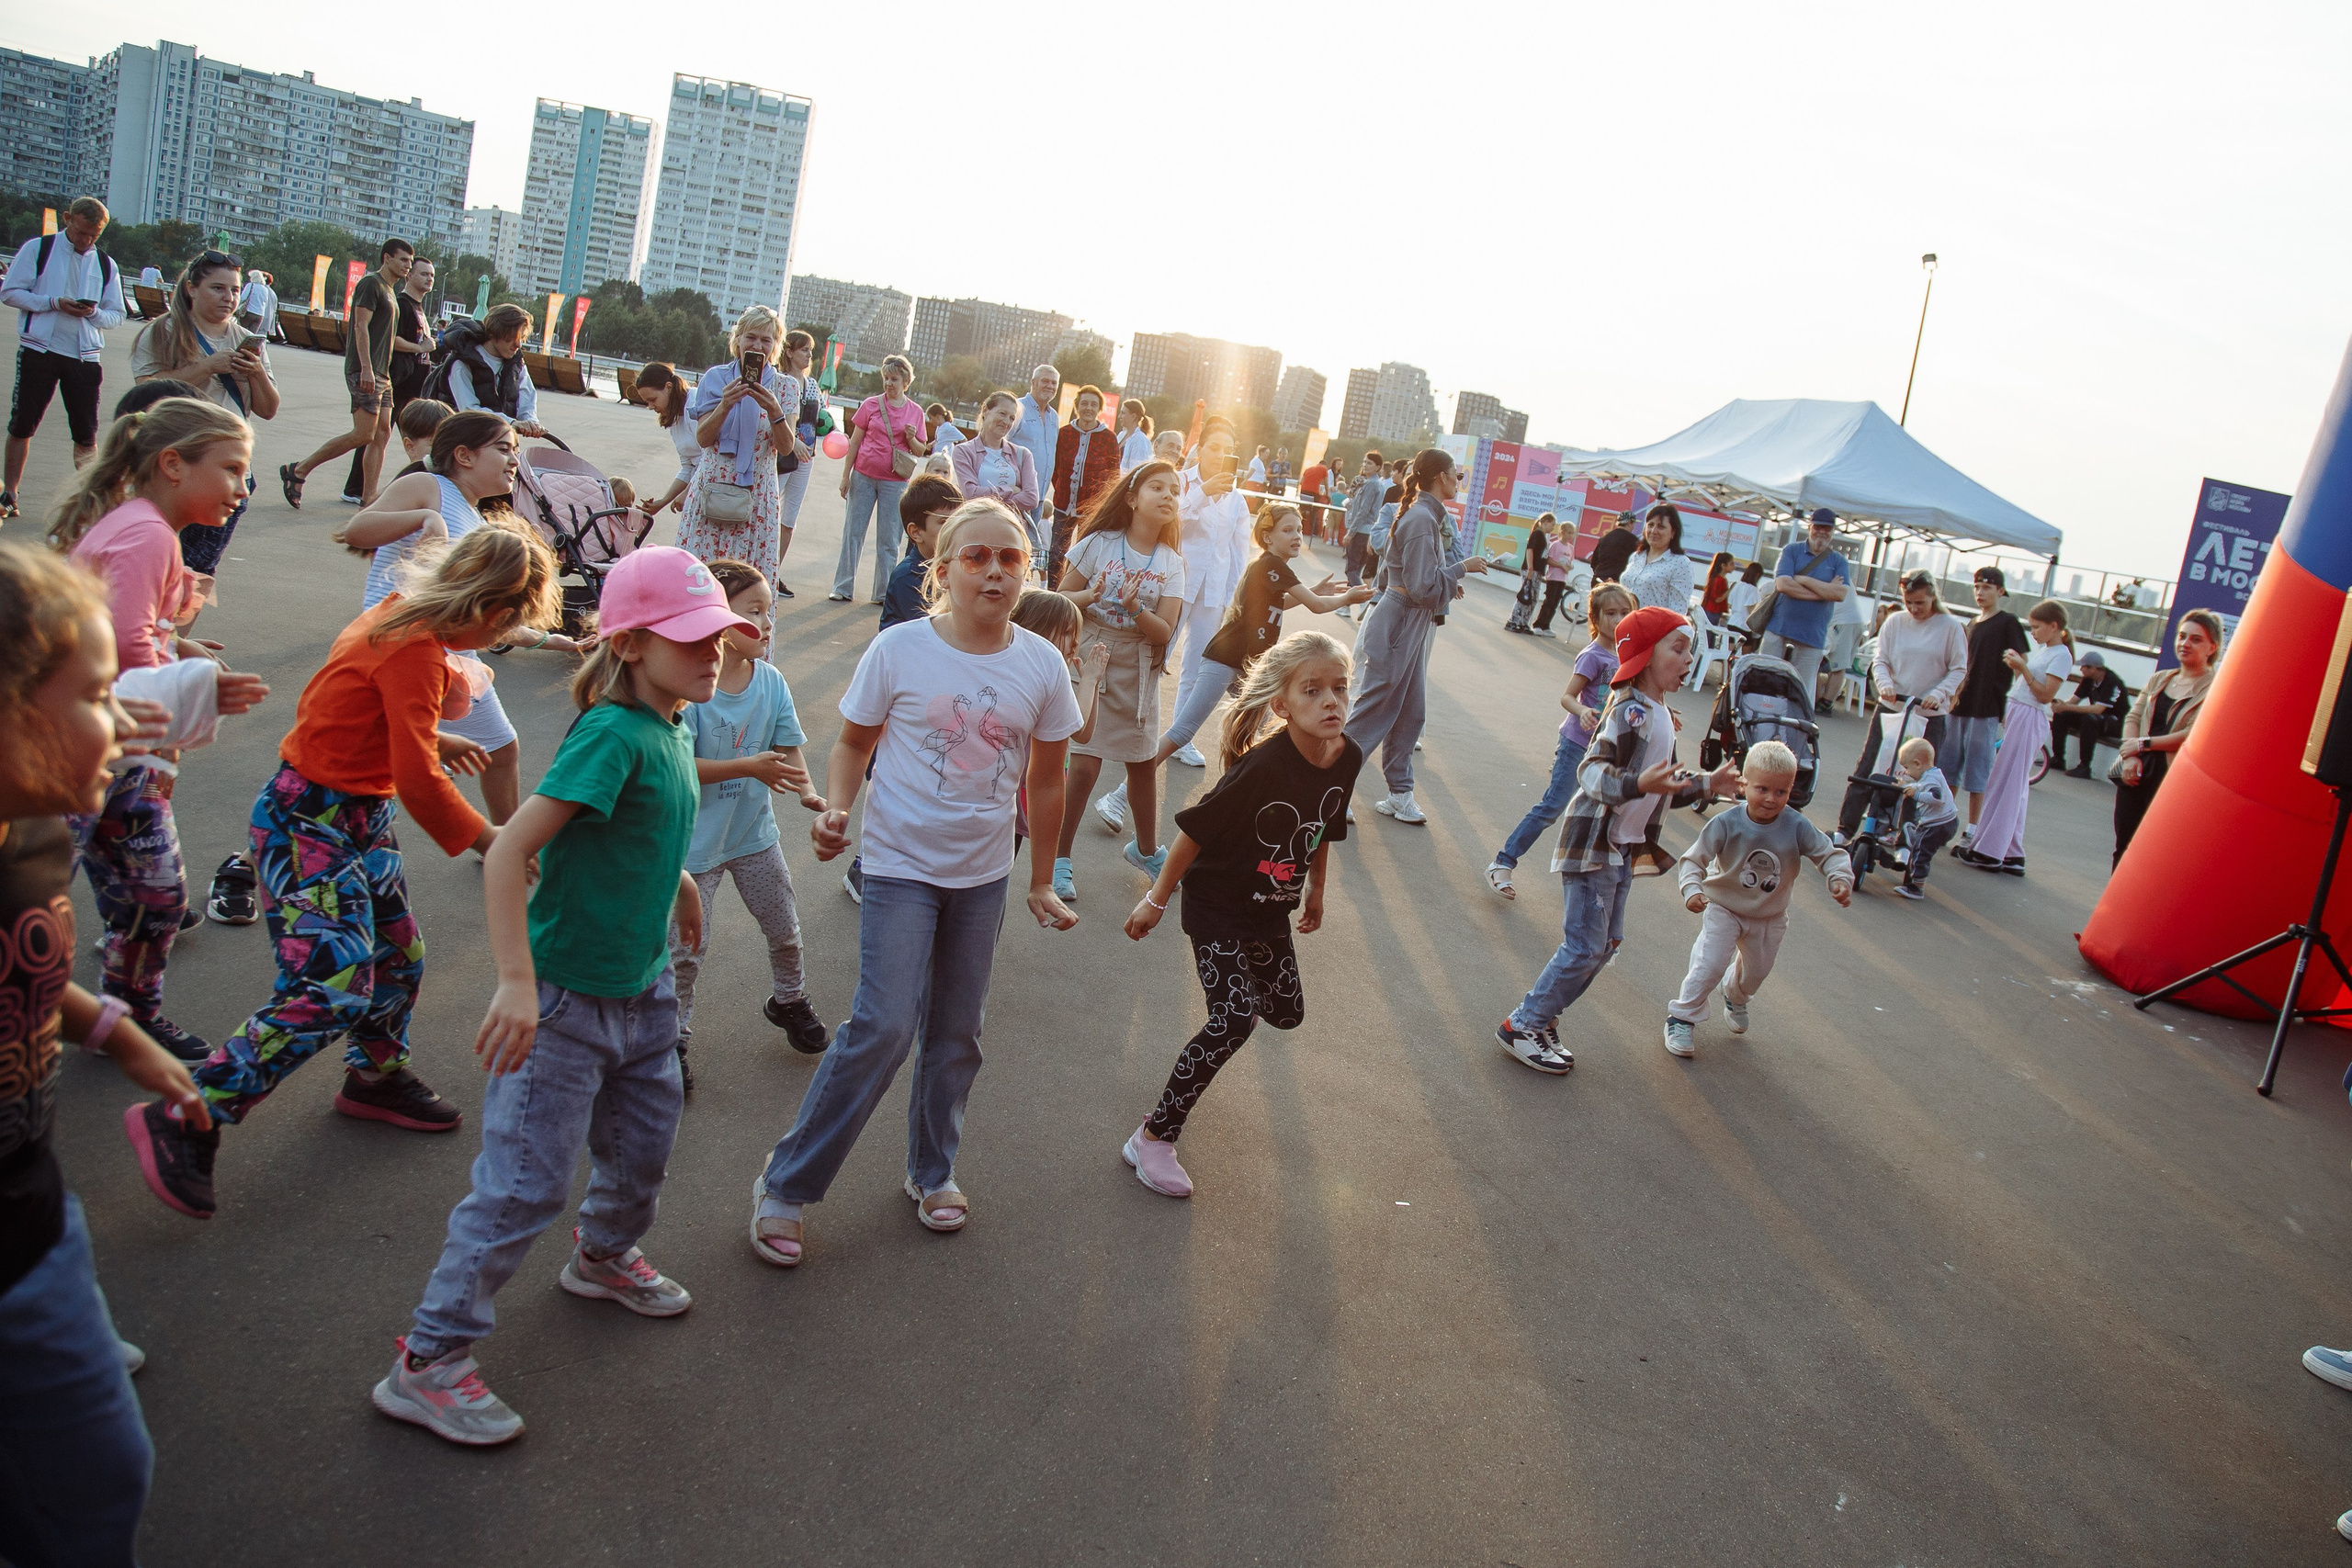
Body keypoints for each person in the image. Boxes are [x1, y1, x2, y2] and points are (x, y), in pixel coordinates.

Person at [373, 546, 743, 1446]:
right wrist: (513, 982)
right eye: (689, 638)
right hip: (566, 1005)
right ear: (627, 643)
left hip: (643, 995)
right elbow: (508, 851)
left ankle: (605, 1258)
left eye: (719, 636)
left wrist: (680, 886)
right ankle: (428, 1361)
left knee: (643, 1147)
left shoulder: (675, 723)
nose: (712, 653)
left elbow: (650, 825)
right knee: (524, 1186)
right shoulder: (613, 733)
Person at [123, 525, 557, 1219]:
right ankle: (190, 1112)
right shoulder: (415, 647)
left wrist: (425, 732)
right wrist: (492, 840)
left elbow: (357, 698)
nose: (502, 641)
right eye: (508, 630)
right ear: (493, 613)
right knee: (330, 984)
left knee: (398, 955)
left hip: (357, 813)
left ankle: (374, 1076)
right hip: (308, 821)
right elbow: (419, 782)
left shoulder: (402, 612)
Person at [750, 500, 1082, 1268]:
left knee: (957, 1032)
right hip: (900, 866)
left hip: (982, 875)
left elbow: (1049, 775)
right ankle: (787, 1183)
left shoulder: (1040, 663)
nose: (995, 569)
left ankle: (932, 1171)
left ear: (1027, 571)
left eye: (1011, 558)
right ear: (942, 571)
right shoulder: (900, 649)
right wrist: (837, 809)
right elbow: (853, 743)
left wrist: (1040, 879)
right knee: (885, 1025)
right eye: (976, 557)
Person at [0, 542, 223, 1566]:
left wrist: (109, 1026)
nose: (126, 721)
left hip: (35, 1218)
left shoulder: (39, 828)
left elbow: (22, 966)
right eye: (97, 695)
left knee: (101, 1475)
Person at [49, 400, 269, 1064]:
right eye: (231, 469)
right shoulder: (146, 533)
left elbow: (134, 627)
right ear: (172, 464)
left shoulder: (149, 531)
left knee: (157, 895)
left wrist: (182, 646)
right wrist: (189, 691)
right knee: (27, 895)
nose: (241, 487)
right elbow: (120, 644)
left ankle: (131, 1014)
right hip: (80, 753)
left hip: (119, 752)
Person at [1117, 630, 1363, 1197]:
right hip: (1219, 905)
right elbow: (1194, 833)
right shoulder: (1262, 768)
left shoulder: (1345, 754)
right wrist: (1156, 900)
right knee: (1235, 1019)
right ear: (1281, 705)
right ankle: (1153, 1138)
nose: (1331, 702)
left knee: (1286, 1012)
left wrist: (1318, 889)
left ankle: (1233, 1015)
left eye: (1340, 689)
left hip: (1270, 910)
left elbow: (1326, 823)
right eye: (1313, 691)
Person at [1497, 607, 1741, 1074]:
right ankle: (1522, 1024)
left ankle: (1542, 1019)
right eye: (1680, 647)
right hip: (1593, 847)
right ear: (1647, 655)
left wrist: (1709, 784)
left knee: (1605, 943)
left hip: (1620, 849)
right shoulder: (1631, 712)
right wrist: (1636, 785)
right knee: (1585, 946)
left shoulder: (1659, 714)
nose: (1690, 658)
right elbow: (1592, 772)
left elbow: (1661, 783)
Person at [1091, 501, 1369, 868]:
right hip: (1228, 659)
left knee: (1250, 740)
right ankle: (1118, 795)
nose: (1297, 536)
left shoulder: (1272, 569)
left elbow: (1275, 605)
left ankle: (1242, 816)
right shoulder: (1272, 564)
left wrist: (1311, 591)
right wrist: (1347, 597)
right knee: (1185, 730)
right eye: (1288, 530)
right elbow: (1316, 606)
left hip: (1251, 668)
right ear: (1267, 536)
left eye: (1300, 530)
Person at [669, 558, 829, 1090]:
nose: (765, 623)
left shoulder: (772, 682)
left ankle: (790, 1000)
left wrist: (810, 794)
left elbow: (789, 749)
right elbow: (674, 764)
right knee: (687, 952)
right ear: (715, 620)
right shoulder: (691, 689)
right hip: (693, 850)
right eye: (752, 612)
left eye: (770, 611)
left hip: (753, 837)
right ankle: (671, 1040)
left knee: (784, 927)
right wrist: (746, 766)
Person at [340, 410, 541, 826]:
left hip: (445, 651)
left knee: (501, 749)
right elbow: (357, 531)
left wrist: (553, 640)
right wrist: (424, 518)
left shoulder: (476, 520)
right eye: (504, 449)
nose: (513, 461)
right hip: (394, 641)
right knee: (358, 757)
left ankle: (506, 845)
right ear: (464, 455)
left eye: (516, 452)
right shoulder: (429, 487)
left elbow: (478, 611)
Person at [1665, 740, 1852, 1056]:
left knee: (1756, 974)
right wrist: (1692, 889)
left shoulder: (1796, 825)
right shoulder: (1726, 823)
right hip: (1723, 907)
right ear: (1743, 784)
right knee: (1709, 963)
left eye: (1782, 792)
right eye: (1763, 789)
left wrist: (1839, 878)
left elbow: (1828, 853)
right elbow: (1693, 859)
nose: (1771, 799)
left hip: (1769, 916)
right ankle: (1682, 1016)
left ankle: (1735, 996)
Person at [1052, 460, 1187, 888]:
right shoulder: (1098, 543)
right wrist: (1090, 595)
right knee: (1086, 764)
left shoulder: (1172, 563)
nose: (1169, 496)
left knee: (1143, 765)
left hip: (1139, 668)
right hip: (1091, 658)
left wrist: (1135, 609)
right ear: (1131, 498)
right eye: (1157, 487)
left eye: (1175, 490)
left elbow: (1165, 629)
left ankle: (1145, 851)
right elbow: (1060, 599)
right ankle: (1058, 859)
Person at [1345, 449, 1489, 826]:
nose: (1459, 481)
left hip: (1407, 620)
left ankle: (1399, 793)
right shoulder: (1423, 517)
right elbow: (1422, 586)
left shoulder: (1423, 514)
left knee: (1410, 713)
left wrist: (1445, 578)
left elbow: (1412, 576)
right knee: (1374, 711)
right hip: (1400, 622)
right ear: (1441, 477)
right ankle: (1331, 786)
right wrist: (1461, 569)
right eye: (1456, 475)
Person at [128, 250, 278, 575]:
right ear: (192, 289)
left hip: (226, 476)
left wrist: (256, 374)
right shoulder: (163, 332)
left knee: (197, 573)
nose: (229, 298)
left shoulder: (247, 339)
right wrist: (207, 366)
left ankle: (174, 628)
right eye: (218, 288)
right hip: (171, 469)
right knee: (148, 564)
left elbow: (269, 409)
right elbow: (144, 395)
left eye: (235, 290)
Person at [1487, 583, 1634, 898]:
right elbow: (1567, 697)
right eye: (1611, 613)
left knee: (1602, 816)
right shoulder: (1593, 656)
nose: (1619, 619)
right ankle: (1502, 862)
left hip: (1608, 749)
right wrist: (1582, 711)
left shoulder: (1631, 655)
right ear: (1595, 618)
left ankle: (1592, 886)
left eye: (1625, 612)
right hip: (1577, 744)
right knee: (1553, 806)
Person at [3, 197, 125, 518]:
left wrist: (93, 312)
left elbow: (116, 315)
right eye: (83, 232)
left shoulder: (105, 264)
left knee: (86, 433)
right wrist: (54, 303)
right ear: (68, 219)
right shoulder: (38, 249)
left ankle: (91, 500)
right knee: (22, 425)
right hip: (39, 349)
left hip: (84, 356)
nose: (87, 241)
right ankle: (10, 492)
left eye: (94, 236)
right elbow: (9, 292)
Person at [279, 238, 413, 509]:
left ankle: (368, 499)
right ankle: (299, 470)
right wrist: (365, 367)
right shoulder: (370, 285)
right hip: (365, 370)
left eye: (410, 262)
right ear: (386, 258)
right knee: (363, 434)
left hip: (382, 374)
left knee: (382, 435)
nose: (407, 266)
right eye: (403, 260)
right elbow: (359, 327)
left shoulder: (390, 291)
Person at [1832, 570, 1966, 840]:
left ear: (1932, 597)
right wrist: (1885, 684)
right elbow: (1881, 660)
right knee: (1868, 766)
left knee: (1918, 775)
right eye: (1909, 602)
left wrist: (1938, 694)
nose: (1914, 609)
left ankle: (1904, 834)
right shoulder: (1895, 622)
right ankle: (1846, 829)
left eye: (1920, 603)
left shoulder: (1950, 627)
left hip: (1928, 714)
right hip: (1892, 709)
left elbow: (1958, 669)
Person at [680, 305, 798, 590]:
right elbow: (703, 438)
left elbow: (785, 448)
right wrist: (726, 403)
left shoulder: (786, 387)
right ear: (738, 340)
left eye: (766, 340)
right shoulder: (715, 377)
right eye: (751, 337)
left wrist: (774, 410)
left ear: (775, 347)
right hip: (713, 486)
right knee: (704, 575)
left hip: (758, 492)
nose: (757, 345)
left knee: (750, 579)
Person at [1956, 599, 2075, 876]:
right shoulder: (2050, 651)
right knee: (2013, 784)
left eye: (2037, 627)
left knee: (2007, 783)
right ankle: (2010, 852)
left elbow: (2045, 695)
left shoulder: (2061, 655)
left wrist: (2022, 668)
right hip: (2023, 714)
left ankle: (1990, 850)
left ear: (2054, 626)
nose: (2033, 633)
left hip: (2030, 715)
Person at [1168, 419, 1254, 766]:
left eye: (1227, 449)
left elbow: (1238, 552)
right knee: (1157, 653)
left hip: (1213, 590)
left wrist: (1234, 598)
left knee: (1198, 665)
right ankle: (1134, 724)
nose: (1220, 456)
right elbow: (1171, 521)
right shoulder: (1181, 483)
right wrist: (1203, 492)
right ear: (1199, 449)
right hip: (1176, 584)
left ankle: (1180, 736)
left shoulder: (1236, 499)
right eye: (1214, 447)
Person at [2112, 609, 2221, 864]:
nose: (2185, 644)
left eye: (2196, 639)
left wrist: (2143, 744)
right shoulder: (2160, 679)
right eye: (2182, 636)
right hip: (2135, 773)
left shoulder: (2216, 687)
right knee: (2123, 847)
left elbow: (2192, 734)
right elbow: (2133, 718)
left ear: (2212, 648)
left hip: (2173, 776)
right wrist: (2130, 757)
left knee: (2156, 853)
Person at [1941, 567, 2032, 838]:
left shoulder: (2008, 622)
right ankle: (1944, 820)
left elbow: (2021, 662)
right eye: (1977, 587)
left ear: (2000, 591)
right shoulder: (1971, 624)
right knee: (1948, 766)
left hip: (1987, 706)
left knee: (1977, 769)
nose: (1980, 593)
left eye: (1987, 588)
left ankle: (1973, 828)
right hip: (1960, 704)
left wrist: (2013, 703)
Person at [339, 254, 436, 504]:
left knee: (379, 435)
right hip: (398, 380)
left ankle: (362, 490)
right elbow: (391, 340)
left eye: (432, 275)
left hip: (411, 384)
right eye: (423, 273)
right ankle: (357, 488)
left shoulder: (417, 306)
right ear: (410, 275)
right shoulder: (402, 304)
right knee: (373, 435)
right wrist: (420, 347)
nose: (429, 279)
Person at [831, 354, 926, 603]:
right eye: (886, 378)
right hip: (863, 476)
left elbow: (920, 450)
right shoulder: (871, 405)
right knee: (853, 533)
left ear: (906, 382)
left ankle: (882, 592)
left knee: (889, 539)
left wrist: (912, 437)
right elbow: (855, 441)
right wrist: (846, 476)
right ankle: (842, 587)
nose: (888, 384)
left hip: (895, 483)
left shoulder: (915, 412)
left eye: (894, 379)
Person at [420, 302, 548, 437]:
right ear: (494, 333)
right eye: (511, 338)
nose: (518, 345)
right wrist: (511, 422)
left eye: (521, 338)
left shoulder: (516, 364)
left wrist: (531, 422)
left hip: (495, 437)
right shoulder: (462, 363)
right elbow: (469, 410)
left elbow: (526, 399)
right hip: (459, 438)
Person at [1757, 508, 1849, 690]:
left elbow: (1840, 594)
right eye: (1818, 527)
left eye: (1827, 528)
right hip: (1779, 626)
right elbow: (1783, 585)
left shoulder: (1839, 561)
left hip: (1813, 635)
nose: (1822, 532)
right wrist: (1824, 591)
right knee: (1764, 678)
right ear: (1810, 527)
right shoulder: (1791, 551)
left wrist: (1804, 579)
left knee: (1801, 688)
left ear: (1833, 532)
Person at [1050, 384, 1122, 585]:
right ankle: (1052, 596)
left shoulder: (1109, 438)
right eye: (1084, 404)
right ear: (1077, 407)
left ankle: (1075, 596)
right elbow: (1056, 468)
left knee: (1085, 556)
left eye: (1093, 404)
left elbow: (1113, 475)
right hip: (1062, 504)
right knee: (1056, 551)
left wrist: (1101, 503)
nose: (1088, 408)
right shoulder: (1064, 433)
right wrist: (1062, 490)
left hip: (1091, 509)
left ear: (1099, 409)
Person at [949, 392, 1042, 545]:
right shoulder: (963, 451)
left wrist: (987, 498)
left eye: (1012, 418)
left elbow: (1032, 498)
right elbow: (971, 494)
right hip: (976, 531)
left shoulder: (1023, 454)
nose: (1006, 422)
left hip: (1012, 534)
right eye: (1002, 413)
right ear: (985, 410)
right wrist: (1010, 490)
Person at [772, 331, 826, 592]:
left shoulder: (812, 384)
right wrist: (793, 443)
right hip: (780, 455)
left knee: (790, 518)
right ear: (789, 351)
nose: (808, 355)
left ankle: (774, 573)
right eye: (804, 350)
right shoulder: (778, 381)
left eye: (810, 351)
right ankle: (759, 568)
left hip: (806, 458)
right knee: (769, 509)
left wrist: (832, 430)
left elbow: (819, 419)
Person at [881, 471, 961, 631]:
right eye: (945, 522)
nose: (955, 529)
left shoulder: (956, 564)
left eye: (959, 520)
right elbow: (939, 631)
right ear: (916, 532)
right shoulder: (908, 577)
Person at [1886, 736, 1961, 900]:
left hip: (1939, 825)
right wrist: (1905, 786)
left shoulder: (1932, 780)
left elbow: (1936, 797)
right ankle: (1917, 834)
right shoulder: (1930, 774)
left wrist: (1917, 795)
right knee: (1921, 845)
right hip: (1942, 822)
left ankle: (1917, 887)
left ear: (1918, 764)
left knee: (1921, 853)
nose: (1906, 772)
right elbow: (1919, 785)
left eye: (1907, 767)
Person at [630, 361, 700, 518]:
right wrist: (663, 502)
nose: (650, 406)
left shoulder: (695, 402)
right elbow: (687, 466)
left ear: (669, 387)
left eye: (652, 400)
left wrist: (687, 492)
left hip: (713, 484)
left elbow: (710, 459)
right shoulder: (673, 414)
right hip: (698, 485)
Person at [1012, 363, 1062, 561]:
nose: (1050, 386)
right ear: (1033, 382)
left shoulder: (1054, 416)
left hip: (1039, 497)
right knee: (1011, 547)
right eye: (1045, 381)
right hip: (1017, 494)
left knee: (1028, 554)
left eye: (1054, 383)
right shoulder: (1017, 408)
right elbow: (1000, 445)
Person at [2052, 649, 2127, 777]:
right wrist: (2060, 705)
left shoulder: (2112, 681)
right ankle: (2058, 758)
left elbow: (2098, 709)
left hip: (2116, 722)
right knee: (2062, 715)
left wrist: (2066, 707)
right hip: (2098, 718)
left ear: (2093, 668)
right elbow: (2073, 702)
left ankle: (2085, 766)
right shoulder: (2088, 680)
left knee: (2090, 719)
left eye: (2083, 667)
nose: (2081, 669)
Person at [1621, 504, 1694, 615]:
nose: (1654, 531)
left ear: (1673, 532)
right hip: (1622, 625)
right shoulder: (1636, 556)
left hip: (1652, 629)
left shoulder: (1681, 563)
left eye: (1661, 527)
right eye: (1650, 525)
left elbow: (1678, 612)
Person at [1340, 450, 1387, 604]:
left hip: (1361, 531)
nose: (1365, 465)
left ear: (1378, 467)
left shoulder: (1371, 484)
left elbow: (1363, 511)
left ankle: (1367, 599)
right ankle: (1346, 604)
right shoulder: (1373, 483)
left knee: (1351, 569)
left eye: (1370, 463)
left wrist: (1350, 533)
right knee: (1356, 569)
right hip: (1367, 531)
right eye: (1365, 462)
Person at [1819, 576, 1870, 712]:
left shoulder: (1827, 570)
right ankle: (1824, 699)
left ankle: (1826, 703)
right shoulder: (1839, 570)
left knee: (1838, 666)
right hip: (1853, 621)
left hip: (1843, 622)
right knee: (1838, 664)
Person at [1531, 515, 1577, 637]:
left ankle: (1546, 625)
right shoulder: (1555, 545)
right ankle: (1538, 624)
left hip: (1563, 578)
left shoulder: (1571, 548)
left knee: (1556, 602)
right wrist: (1560, 566)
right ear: (1562, 532)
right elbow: (1549, 560)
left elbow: (1570, 562)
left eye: (1572, 533)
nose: (1570, 536)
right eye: (1568, 533)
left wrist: (1569, 567)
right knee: (1549, 601)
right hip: (1553, 577)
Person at [1504, 517, 1549, 634]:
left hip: (1537, 572)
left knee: (1532, 598)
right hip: (1531, 570)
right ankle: (1513, 621)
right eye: (1552, 525)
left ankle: (1523, 622)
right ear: (1545, 522)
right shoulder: (1537, 534)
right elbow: (1530, 550)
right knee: (1525, 595)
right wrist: (1530, 568)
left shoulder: (1542, 536)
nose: (1553, 528)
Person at [1585, 513, 1639, 584]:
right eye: (1633, 524)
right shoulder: (1633, 541)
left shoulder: (1605, 538)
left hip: (1598, 580)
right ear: (1629, 523)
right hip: (1616, 584)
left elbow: (1594, 562)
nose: (1633, 527)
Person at [1725, 559, 1766, 635]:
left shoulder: (1737, 585)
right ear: (1757, 575)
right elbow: (1750, 608)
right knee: (1748, 646)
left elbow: (1730, 604)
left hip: (1732, 622)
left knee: (1731, 646)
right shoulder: (1754, 590)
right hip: (1744, 626)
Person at [237, 267, 278, 338]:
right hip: (260, 315)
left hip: (249, 312)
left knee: (240, 331)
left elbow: (243, 298)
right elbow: (265, 302)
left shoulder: (251, 285)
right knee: (252, 336)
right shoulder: (265, 289)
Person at [1117, 396, 1154, 472]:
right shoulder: (1121, 435)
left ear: (1133, 416)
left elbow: (1136, 470)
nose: (1119, 416)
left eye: (1123, 413)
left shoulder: (1140, 440)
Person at [1701, 551, 1734, 625]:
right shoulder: (1719, 580)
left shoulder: (1718, 578)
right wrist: (1730, 589)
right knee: (1708, 634)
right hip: (1712, 611)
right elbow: (1718, 599)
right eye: (1731, 564)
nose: (1734, 567)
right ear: (1723, 565)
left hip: (1713, 611)